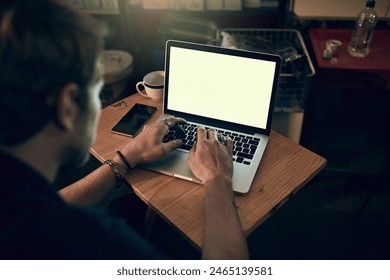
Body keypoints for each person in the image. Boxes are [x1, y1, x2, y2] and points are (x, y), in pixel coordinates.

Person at [0, 0, 248, 259]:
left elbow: (49, 207)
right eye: (97, 91)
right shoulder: (103, 241)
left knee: (129, 206)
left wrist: (126, 158)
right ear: (67, 105)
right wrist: (218, 180)